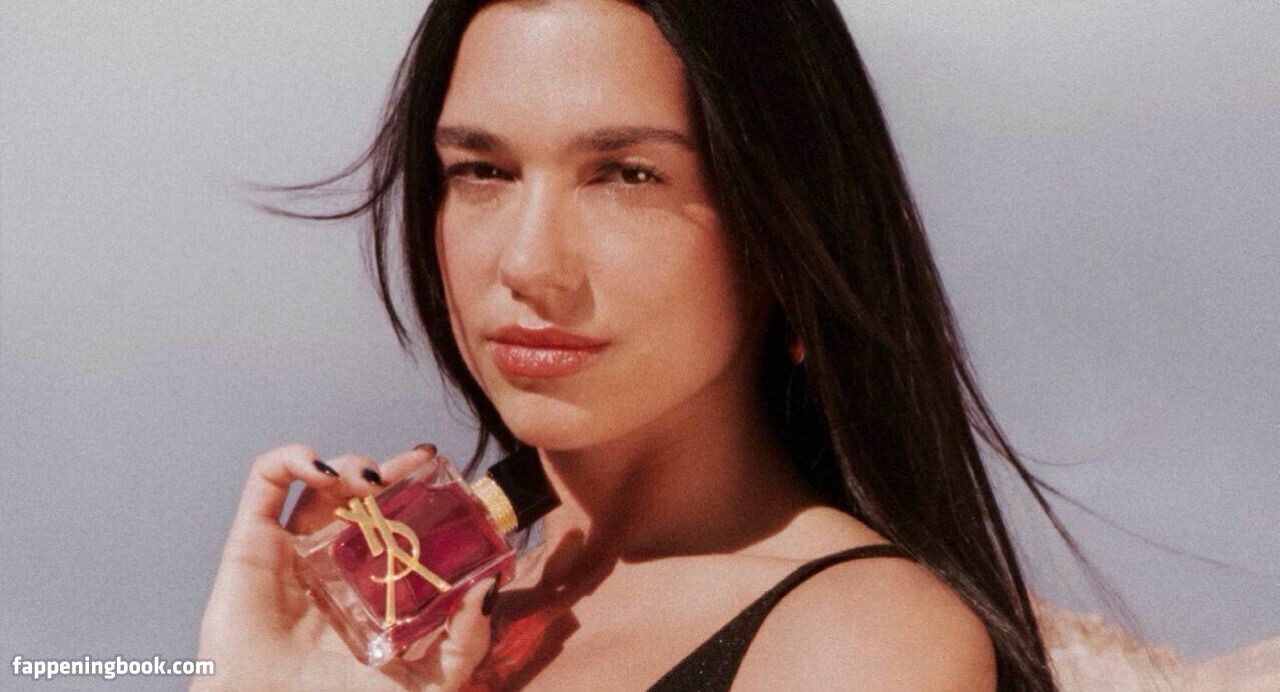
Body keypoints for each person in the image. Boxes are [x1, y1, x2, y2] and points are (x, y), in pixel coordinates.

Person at [196, 1, 1077, 689]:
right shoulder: (418, 632)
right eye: (483, 171)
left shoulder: (859, 637)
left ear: (780, 232)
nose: (529, 263)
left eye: (627, 176)